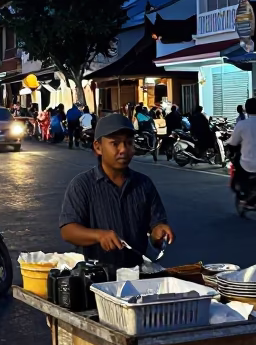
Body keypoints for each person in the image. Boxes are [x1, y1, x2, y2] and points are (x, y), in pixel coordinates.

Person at [59, 113, 173, 270]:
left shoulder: (144, 184)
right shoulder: (82, 185)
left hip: (137, 273)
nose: (123, 150)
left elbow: (156, 224)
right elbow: (68, 231)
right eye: (115, 143)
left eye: (128, 143)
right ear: (98, 147)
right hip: (96, 276)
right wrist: (99, 235)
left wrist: (159, 232)